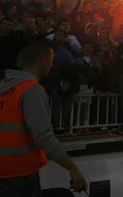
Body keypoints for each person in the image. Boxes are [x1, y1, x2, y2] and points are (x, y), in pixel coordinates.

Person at [0, 41, 87, 196]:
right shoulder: (32, 90)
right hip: (19, 175)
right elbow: (44, 137)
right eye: (51, 61)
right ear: (42, 60)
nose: (52, 66)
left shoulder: (7, 87)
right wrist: (72, 168)